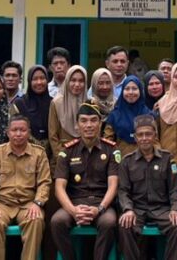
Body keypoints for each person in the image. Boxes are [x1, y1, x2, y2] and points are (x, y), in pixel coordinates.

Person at [51, 103, 120, 260]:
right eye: (83, 121)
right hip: (75, 202)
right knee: (57, 221)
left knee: (108, 222)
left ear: (100, 123)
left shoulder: (111, 150)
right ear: (77, 125)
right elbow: (59, 188)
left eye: (93, 120)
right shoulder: (67, 151)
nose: (88, 125)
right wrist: (73, 210)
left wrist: (100, 209)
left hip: (102, 203)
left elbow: (113, 185)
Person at [0, 115, 51, 260]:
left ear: (29, 132)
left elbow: (45, 182)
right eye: (14, 130)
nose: (18, 134)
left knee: (36, 220)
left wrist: (38, 203)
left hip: (28, 204)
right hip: (2, 204)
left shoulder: (39, 153)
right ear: (8, 133)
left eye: (22, 130)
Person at [117, 115, 177, 260]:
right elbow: (123, 191)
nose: (144, 138)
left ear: (155, 135)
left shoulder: (167, 159)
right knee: (124, 226)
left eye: (148, 134)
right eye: (140, 135)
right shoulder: (127, 162)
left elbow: (174, 190)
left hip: (161, 209)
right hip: (137, 209)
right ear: (135, 137)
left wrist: (175, 209)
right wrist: (128, 210)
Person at [104, 75, 154, 156]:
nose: (131, 92)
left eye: (134, 89)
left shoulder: (148, 115)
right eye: (127, 89)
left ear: (140, 91)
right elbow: (108, 142)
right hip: (121, 162)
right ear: (122, 91)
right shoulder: (114, 116)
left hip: (146, 162)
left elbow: (155, 141)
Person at [49, 65, 89, 155]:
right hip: (63, 154)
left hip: (86, 156)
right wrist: (61, 157)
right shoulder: (57, 103)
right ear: (67, 81)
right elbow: (53, 136)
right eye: (73, 80)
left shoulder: (89, 103)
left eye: (81, 81)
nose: (77, 84)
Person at [12, 65, 53, 151]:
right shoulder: (20, 104)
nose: (39, 82)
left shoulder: (53, 103)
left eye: (42, 78)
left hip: (50, 154)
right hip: (24, 152)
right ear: (29, 81)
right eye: (35, 79)